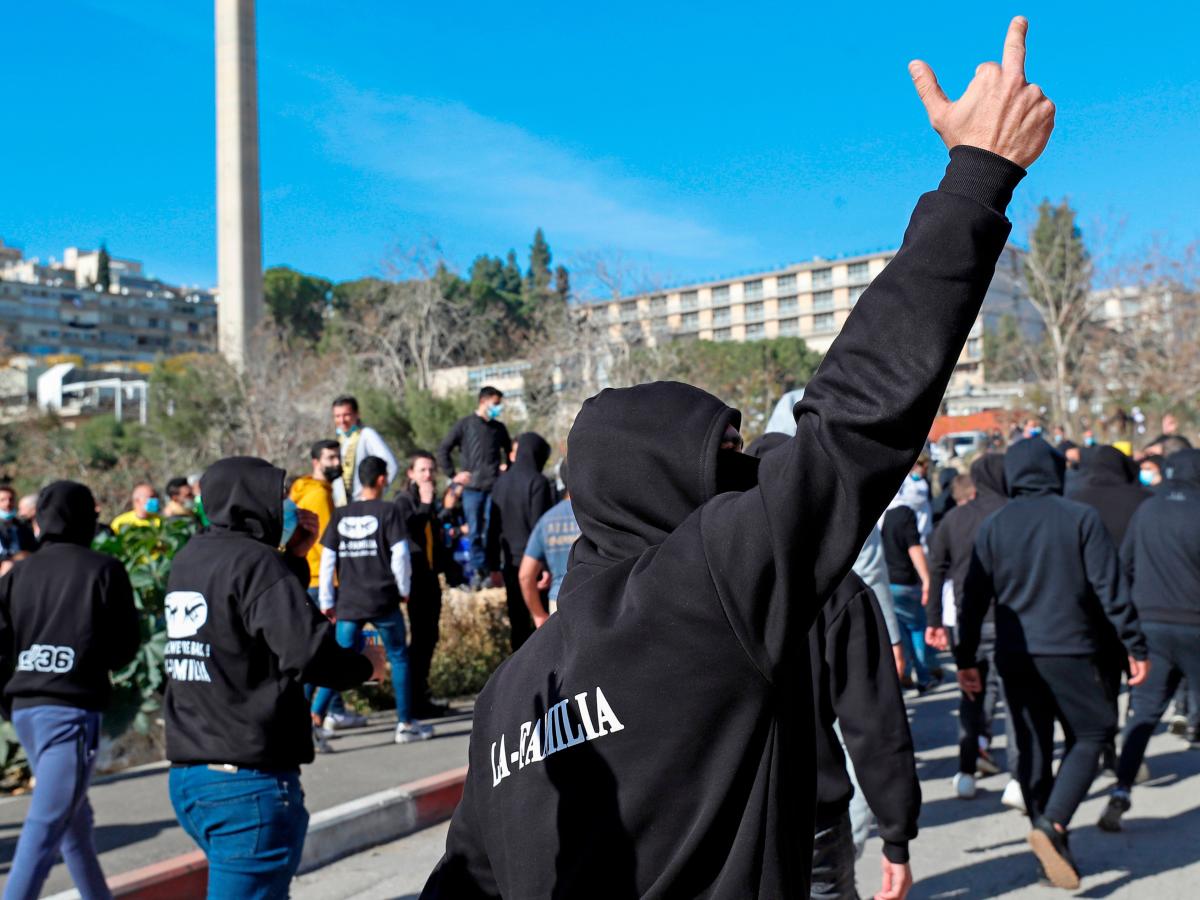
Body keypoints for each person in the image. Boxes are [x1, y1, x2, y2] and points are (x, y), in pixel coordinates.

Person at [421, 20, 1054, 895]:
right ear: (659, 481)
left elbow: (463, 880)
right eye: (725, 455)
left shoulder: (511, 692)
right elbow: (853, 422)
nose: (754, 468)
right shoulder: (698, 590)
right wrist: (978, 179)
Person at [164, 456, 374, 898]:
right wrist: (367, 665)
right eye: (279, 496)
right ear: (251, 501)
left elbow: (248, 626)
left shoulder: (191, 558)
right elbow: (307, 652)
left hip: (192, 778)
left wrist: (293, 559)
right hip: (246, 786)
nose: (287, 506)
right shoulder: (257, 564)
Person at [956, 438, 1149, 890]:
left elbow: (973, 599)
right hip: (1071, 648)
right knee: (1095, 731)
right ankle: (1053, 825)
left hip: (1014, 655)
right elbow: (1111, 591)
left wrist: (966, 659)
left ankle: (1051, 854)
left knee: (1034, 750)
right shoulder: (1080, 518)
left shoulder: (994, 526)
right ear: (1055, 470)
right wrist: (1135, 647)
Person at [0, 481, 140, 900]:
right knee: (46, 827)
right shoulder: (104, 569)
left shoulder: (16, 573)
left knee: (72, 822)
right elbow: (124, 648)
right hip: (71, 710)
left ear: (40, 520)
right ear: (88, 519)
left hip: (25, 709)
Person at [1099, 449, 1200, 832]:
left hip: (1152, 626)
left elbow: (1124, 566)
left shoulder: (1147, 510)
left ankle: (1121, 791)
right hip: (1195, 624)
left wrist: (1129, 625)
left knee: (1143, 714)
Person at [810, 573, 920, 900]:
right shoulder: (830, 581)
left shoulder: (666, 564)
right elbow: (876, 729)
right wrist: (897, 840)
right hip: (811, 811)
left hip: (696, 817)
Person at [313, 456, 433, 745]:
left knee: (338, 660)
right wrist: (403, 588)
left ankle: (315, 716)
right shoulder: (388, 511)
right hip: (383, 599)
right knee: (398, 657)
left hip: (349, 602)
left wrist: (327, 599)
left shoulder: (341, 514)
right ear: (381, 480)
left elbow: (328, 561)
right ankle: (405, 724)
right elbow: (401, 555)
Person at [926, 458, 1021, 808]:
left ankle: (966, 771)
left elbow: (937, 571)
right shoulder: (1013, 513)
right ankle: (1017, 777)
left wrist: (933, 620)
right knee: (1014, 701)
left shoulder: (953, 519)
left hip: (967, 622)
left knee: (969, 695)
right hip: (1010, 620)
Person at [291, 439, 367, 733]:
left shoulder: (308, 491)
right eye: (330, 458)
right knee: (325, 654)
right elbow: (326, 550)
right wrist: (333, 587)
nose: (337, 463)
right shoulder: (319, 498)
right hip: (320, 583)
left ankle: (334, 711)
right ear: (315, 462)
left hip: (310, 580)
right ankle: (311, 721)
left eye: (338, 457)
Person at [395, 451, 468, 719]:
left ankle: (421, 697)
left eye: (431, 470)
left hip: (429, 578)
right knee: (420, 639)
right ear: (411, 474)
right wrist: (426, 505)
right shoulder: (404, 502)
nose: (428, 475)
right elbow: (408, 532)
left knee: (429, 638)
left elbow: (433, 538)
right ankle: (413, 702)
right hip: (414, 579)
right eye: (422, 470)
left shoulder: (429, 502)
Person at [437, 387, 512, 588]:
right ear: (483, 401)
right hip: (472, 490)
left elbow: (510, 451)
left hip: (494, 489)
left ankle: (493, 571)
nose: (498, 408)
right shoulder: (465, 425)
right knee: (475, 531)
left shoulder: (499, 428)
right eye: (495, 403)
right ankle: (480, 571)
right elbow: (443, 449)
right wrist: (454, 476)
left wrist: (508, 468)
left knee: (493, 532)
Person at [488, 432, 555, 650]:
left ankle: (519, 676)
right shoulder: (538, 482)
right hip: (534, 564)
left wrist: (492, 565)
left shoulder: (500, 483)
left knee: (518, 622)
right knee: (541, 621)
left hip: (510, 563)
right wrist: (545, 566)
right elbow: (539, 529)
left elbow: (493, 527)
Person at [881, 481, 936, 692]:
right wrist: (927, 579)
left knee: (899, 632)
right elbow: (914, 547)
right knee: (917, 628)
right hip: (906, 581)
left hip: (886, 583)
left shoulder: (880, 514)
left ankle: (903, 673)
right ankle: (923, 676)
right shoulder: (904, 513)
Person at [518, 485, 582, 628]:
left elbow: (525, 575)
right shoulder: (595, 516)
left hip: (558, 602)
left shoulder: (547, 520)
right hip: (594, 599)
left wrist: (538, 614)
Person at [331, 395, 398, 504]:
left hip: (362, 505)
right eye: (337, 416)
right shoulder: (341, 440)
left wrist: (375, 494)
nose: (342, 420)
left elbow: (391, 465)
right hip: (343, 507)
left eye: (346, 415)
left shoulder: (366, 435)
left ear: (357, 414)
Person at [0, 486, 37, 561]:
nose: (8, 503)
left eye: (11, 499)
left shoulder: (24, 526)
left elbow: (34, 548)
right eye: (2, 500)